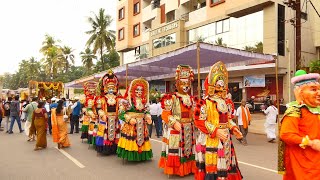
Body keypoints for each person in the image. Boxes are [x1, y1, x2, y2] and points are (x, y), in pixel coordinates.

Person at [193, 61, 243, 180]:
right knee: (214, 165)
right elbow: (200, 121)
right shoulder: (206, 102)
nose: (220, 87)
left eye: (222, 84)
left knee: (226, 164)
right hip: (212, 138)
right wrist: (215, 130)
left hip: (225, 138)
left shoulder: (225, 102)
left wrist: (234, 128)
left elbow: (228, 119)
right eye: (218, 84)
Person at [279, 70, 320, 179]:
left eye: (319, 89)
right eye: (313, 90)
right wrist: (310, 143)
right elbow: (286, 135)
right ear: (300, 92)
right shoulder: (295, 111)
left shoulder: (318, 109)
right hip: (303, 163)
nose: (319, 93)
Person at [159, 65, 197, 177]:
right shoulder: (172, 98)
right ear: (177, 84)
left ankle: (189, 168)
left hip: (189, 128)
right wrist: (174, 122)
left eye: (187, 84)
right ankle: (175, 169)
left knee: (190, 148)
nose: (186, 87)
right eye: (183, 84)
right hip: (177, 128)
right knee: (176, 150)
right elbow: (165, 114)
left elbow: (195, 113)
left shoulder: (191, 99)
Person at [117, 78, 153, 161]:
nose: (139, 92)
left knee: (142, 139)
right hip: (131, 125)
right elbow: (121, 113)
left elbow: (146, 111)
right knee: (132, 139)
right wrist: (129, 119)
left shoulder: (144, 101)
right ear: (133, 90)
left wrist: (148, 116)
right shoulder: (127, 101)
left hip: (142, 124)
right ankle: (131, 156)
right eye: (137, 90)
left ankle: (141, 156)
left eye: (141, 90)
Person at [94, 70, 122, 155]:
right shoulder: (102, 99)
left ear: (115, 88)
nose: (111, 89)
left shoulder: (118, 98)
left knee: (116, 133)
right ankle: (106, 149)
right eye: (109, 87)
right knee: (105, 134)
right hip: (105, 119)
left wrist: (121, 109)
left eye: (112, 87)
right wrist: (102, 114)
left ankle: (114, 149)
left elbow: (121, 106)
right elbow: (98, 108)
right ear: (105, 88)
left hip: (115, 118)